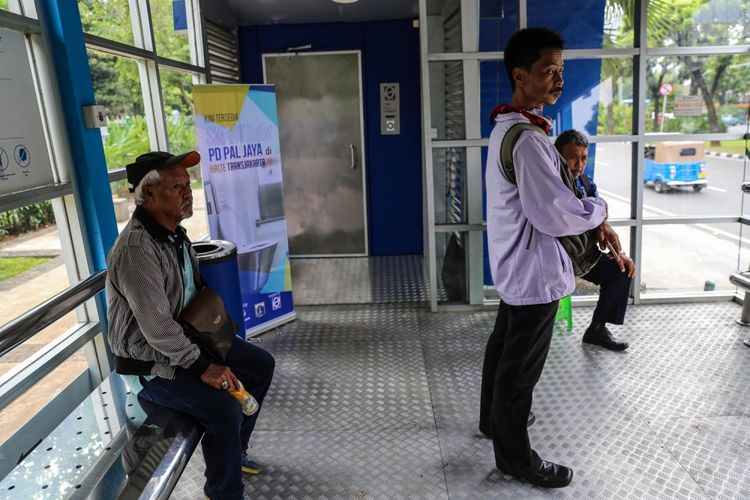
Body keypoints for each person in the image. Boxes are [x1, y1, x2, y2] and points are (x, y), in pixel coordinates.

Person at [479, 28, 622, 489]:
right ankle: (515, 458)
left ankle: (492, 423)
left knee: (503, 352)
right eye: (548, 71)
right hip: (535, 273)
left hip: (517, 267)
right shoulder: (527, 140)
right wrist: (599, 209)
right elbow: (555, 214)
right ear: (520, 76)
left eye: (561, 71)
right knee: (519, 373)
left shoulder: (509, 128)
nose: (558, 80)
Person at [106, 150, 275, 500]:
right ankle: (224, 492)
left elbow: (190, 292)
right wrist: (204, 366)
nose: (188, 192)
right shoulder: (137, 249)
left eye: (187, 184)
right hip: (150, 363)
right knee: (224, 409)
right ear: (148, 195)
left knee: (260, 365)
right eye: (176, 186)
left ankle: (234, 453)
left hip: (189, 339)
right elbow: (156, 327)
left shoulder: (174, 233)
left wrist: (216, 336)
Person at [554, 129, 635, 351]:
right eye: (572, 157)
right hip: (556, 259)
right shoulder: (551, 186)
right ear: (558, 157)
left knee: (622, 270)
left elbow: (598, 213)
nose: (579, 165)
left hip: (584, 255)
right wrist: (596, 218)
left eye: (583, 158)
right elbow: (576, 215)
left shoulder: (587, 184)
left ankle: (597, 329)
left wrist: (604, 230)